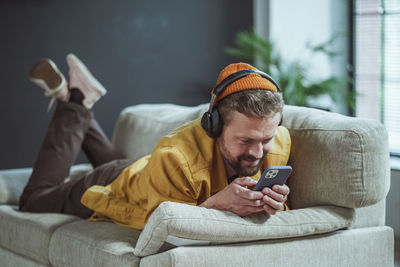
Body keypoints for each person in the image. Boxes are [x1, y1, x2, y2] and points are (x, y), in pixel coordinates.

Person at [19, 54, 291, 230]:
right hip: (112, 183)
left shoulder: (280, 143)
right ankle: (76, 99)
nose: (258, 153)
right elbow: (163, 234)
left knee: (129, 168)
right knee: (32, 200)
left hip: (148, 173)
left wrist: (276, 204)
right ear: (215, 126)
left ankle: (76, 101)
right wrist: (216, 204)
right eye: (245, 140)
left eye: (266, 139)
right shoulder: (176, 156)